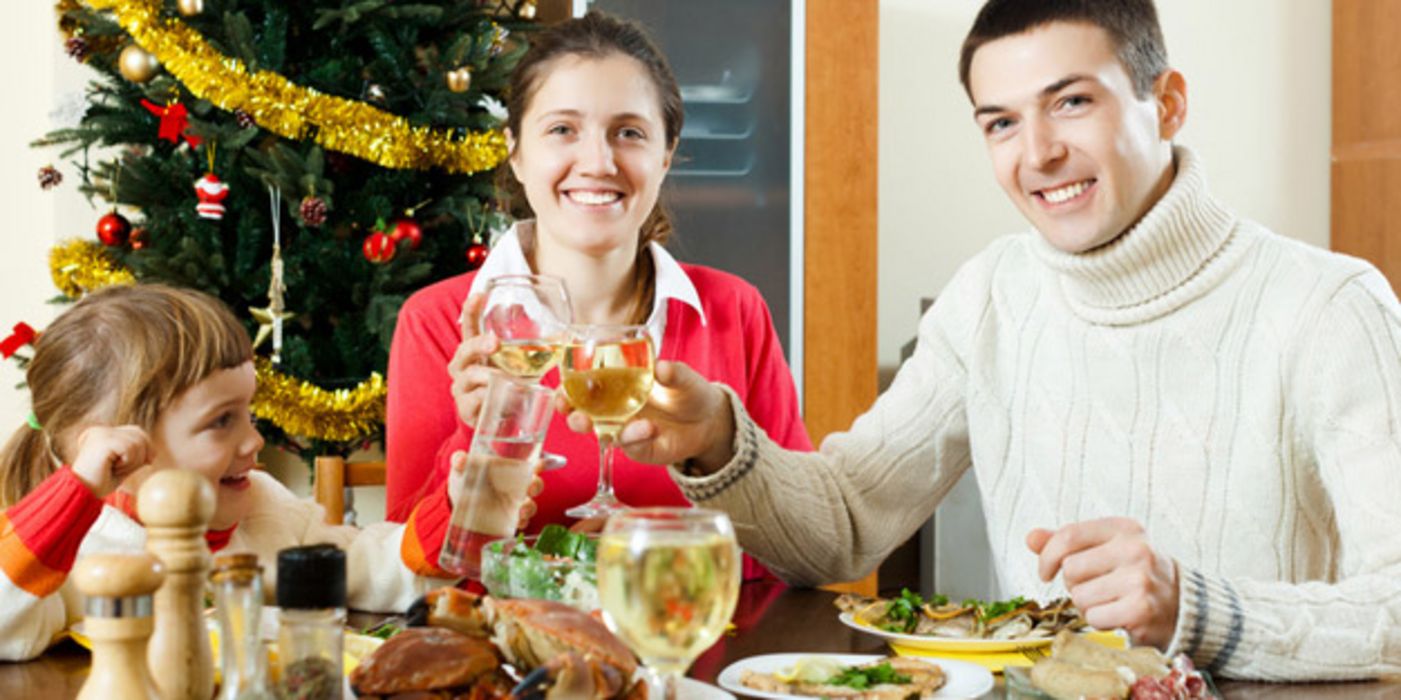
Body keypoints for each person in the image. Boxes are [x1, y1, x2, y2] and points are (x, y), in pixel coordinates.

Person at [562, 0, 1401, 682]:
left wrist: (1195, 607)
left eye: (1072, 102)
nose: (1037, 153)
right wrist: (717, 442)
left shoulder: (1328, 307)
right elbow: (845, 525)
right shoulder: (993, 293)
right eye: (999, 123)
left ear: (1167, 101)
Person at [385, 12, 810, 581]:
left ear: (665, 154)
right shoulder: (437, 323)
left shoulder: (734, 312)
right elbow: (415, 571)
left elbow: (800, 544)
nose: (599, 162)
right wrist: (486, 432)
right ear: (515, 151)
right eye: (563, 129)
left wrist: (655, 552)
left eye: (629, 133)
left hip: (692, 654)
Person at [0, 284, 460, 661]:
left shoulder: (268, 510)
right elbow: (9, 634)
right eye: (222, 421)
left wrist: (459, 512)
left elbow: (374, 569)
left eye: (248, 414)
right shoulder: (77, 555)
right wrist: (72, 497)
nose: (254, 441)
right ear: (118, 451)